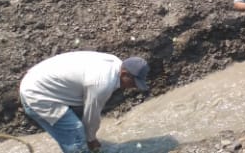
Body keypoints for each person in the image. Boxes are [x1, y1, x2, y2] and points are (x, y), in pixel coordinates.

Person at [19, 51, 150, 152]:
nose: (135, 87)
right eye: (133, 83)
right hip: (38, 94)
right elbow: (91, 116)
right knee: (77, 136)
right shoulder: (103, 83)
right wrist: (91, 139)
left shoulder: (115, 62)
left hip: (42, 79)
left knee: (80, 129)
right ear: (124, 73)